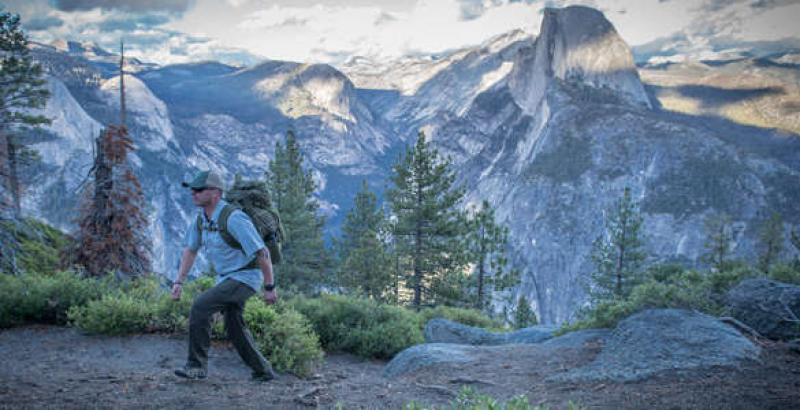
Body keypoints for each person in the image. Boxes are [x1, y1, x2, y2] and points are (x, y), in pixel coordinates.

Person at [171, 170, 278, 381]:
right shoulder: (202, 220)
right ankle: (263, 371)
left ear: (215, 193)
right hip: (226, 278)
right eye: (192, 189)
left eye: (199, 190)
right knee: (233, 325)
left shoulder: (234, 218)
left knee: (201, 305)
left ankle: (196, 366)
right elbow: (191, 250)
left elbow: (261, 252)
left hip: (246, 276)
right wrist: (179, 281)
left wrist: (269, 287)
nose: (193, 193)